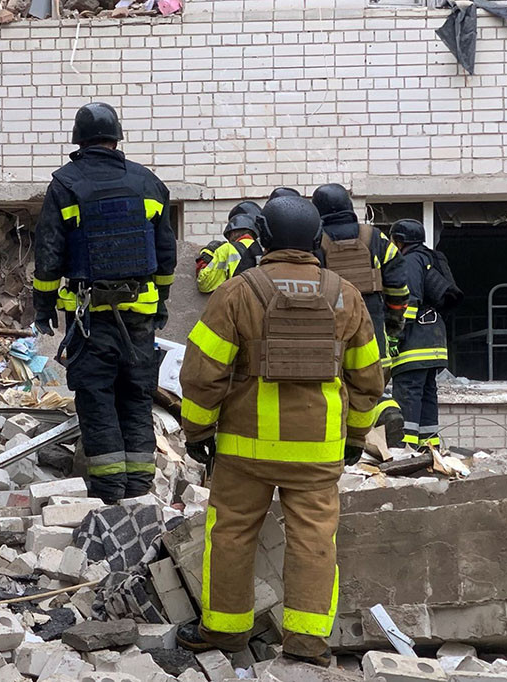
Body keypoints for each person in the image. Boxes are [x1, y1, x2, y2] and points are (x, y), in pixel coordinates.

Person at [176, 196, 384, 665]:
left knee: (231, 535)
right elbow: (368, 378)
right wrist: (355, 436)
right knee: (315, 541)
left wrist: (198, 431)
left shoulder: (237, 291)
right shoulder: (345, 295)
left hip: (244, 451)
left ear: (264, 238)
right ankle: (307, 644)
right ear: (317, 240)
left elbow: (202, 373)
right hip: (317, 453)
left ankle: (225, 632)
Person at [32, 102, 176, 504]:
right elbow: (166, 252)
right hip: (140, 316)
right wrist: (161, 300)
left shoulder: (66, 184)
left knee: (97, 397)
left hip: (90, 318)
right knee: (136, 395)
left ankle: (110, 491)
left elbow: (49, 253)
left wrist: (43, 306)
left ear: (79, 141)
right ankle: (140, 490)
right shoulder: (147, 182)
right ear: (116, 138)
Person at [312, 183, 408, 454]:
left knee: (336, 387)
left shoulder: (315, 241)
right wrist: (393, 322)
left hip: (331, 331)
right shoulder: (374, 237)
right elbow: (398, 285)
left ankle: (343, 443)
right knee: (372, 387)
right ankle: (386, 413)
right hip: (372, 329)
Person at [389, 219, 452, 451]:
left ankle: (406, 450)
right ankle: (429, 448)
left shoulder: (409, 261)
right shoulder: (429, 258)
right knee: (427, 395)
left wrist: (395, 336)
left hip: (415, 343)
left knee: (408, 393)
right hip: (433, 339)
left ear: (400, 241)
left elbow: (408, 302)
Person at [196, 201, 264, 294]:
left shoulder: (227, 249)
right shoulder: (264, 249)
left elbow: (204, 284)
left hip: (238, 300)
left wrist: (206, 254)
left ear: (232, 232)